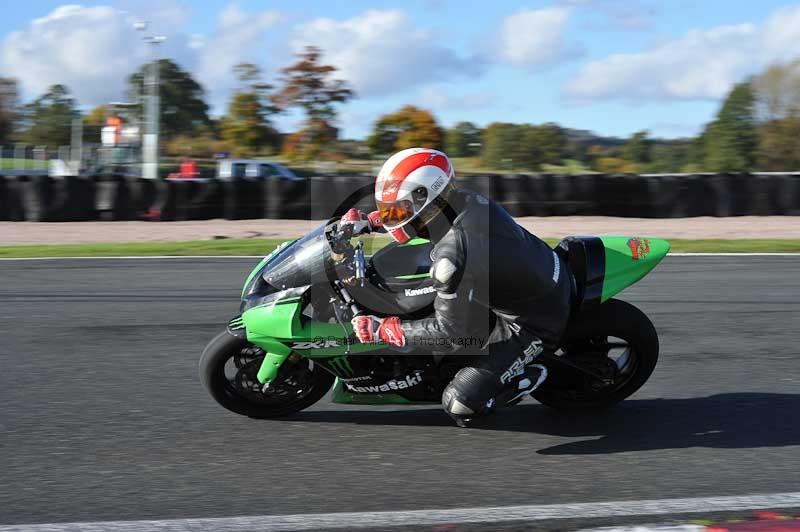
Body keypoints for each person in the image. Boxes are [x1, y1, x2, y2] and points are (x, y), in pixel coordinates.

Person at [341, 148, 572, 427]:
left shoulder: (454, 256)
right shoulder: (457, 200)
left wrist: (385, 329)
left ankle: (527, 375)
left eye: (401, 207)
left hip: (532, 318)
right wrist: (370, 221)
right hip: (528, 274)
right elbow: (411, 214)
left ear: (427, 199)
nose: (395, 214)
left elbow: (453, 334)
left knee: (460, 405)